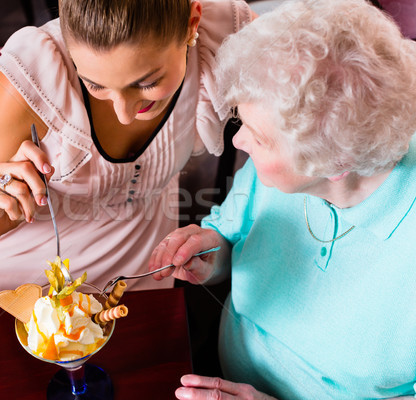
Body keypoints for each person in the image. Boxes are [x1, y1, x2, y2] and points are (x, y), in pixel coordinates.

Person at [148, 0, 416, 398]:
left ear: (335, 162)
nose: (238, 142)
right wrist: (212, 254)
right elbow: (232, 232)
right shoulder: (283, 156)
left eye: (258, 137)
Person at [0, 0, 257, 304]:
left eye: (146, 83)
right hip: (11, 261)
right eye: (95, 85)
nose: (124, 113)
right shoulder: (37, 74)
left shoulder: (228, 34)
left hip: (137, 265)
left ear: (191, 24)